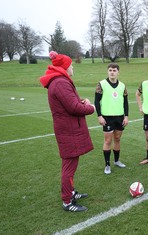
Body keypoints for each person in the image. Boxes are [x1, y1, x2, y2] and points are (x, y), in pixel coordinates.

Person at [40, 51, 95, 212]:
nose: (72, 67)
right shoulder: (60, 82)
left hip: (68, 129)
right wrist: (90, 107)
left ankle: (70, 192)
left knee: (71, 163)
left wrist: (80, 101)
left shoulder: (59, 81)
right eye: (70, 64)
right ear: (64, 67)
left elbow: (69, 103)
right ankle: (67, 201)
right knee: (69, 165)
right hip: (68, 130)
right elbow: (73, 108)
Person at [94, 63, 129, 175]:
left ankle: (117, 161)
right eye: (110, 70)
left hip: (119, 117)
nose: (112, 72)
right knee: (108, 141)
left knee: (117, 139)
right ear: (107, 71)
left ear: (118, 72)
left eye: (114, 70)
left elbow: (126, 102)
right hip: (107, 117)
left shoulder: (123, 86)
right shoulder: (101, 84)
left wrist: (126, 116)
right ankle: (107, 165)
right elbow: (96, 101)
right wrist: (99, 116)